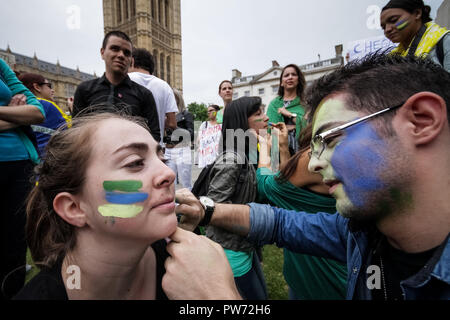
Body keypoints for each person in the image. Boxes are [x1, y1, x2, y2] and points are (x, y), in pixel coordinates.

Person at [164, 53, 450, 300]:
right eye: (313, 146)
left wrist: (217, 296)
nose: (313, 164)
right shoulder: (358, 233)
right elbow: (281, 223)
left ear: (421, 120)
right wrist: (207, 209)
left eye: (330, 138)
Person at [14, 111, 177, 300]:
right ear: (73, 208)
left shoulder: (187, 268)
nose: (169, 173)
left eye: (162, 159)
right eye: (135, 162)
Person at [257, 123, 347, 300]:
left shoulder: (315, 155)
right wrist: (283, 147)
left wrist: (264, 150)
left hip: (318, 270)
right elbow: (291, 182)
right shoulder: (341, 146)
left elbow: (267, 186)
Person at [199, 96, 268, 300]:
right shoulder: (232, 159)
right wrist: (253, 222)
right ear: (241, 122)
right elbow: (213, 209)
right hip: (231, 251)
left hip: (246, 245)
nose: (265, 118)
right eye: (258, 114)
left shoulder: (249, 151)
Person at [0, 58, 45, 299]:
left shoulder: (0, 65)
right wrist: (15, 113)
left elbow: (37, 113)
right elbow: (25, 115)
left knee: (15, 245)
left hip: (19, 162)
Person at [72, 31, 160, 142]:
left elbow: (154, 135)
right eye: (115, 49)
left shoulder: (144, 94)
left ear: (131, 61)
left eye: (126, 53)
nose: (121, 55)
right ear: (102, 52)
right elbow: (76, 132)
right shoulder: (84, 90)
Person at [381, 0, 450, 72]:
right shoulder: (392, 58)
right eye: (383, 27)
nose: (387, 29)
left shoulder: (445, 41)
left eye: (394, 20)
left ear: (417, 13)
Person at [128, 48, 178, 144]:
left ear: (132, 62)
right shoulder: (165, 86)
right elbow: (172, 124)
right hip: (155, 148)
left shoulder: (124, 80)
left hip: (128, 148)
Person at [18, 73, 72, 156]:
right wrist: (72, 109)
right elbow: (69, 130)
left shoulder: (18, 105)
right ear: (37, 87)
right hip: (50, 155)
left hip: (30, 155)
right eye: (49, 86)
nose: (53, 90)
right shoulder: (47, 104)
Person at [266, 64, 308, 155]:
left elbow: (309, 127)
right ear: (281, 82)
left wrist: (289, 115)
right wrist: (294, 124)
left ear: (298, 79)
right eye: (286, 75)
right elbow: (268, 128)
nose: (290, 77)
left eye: (293, 74)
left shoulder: (305, 103)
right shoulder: (274, 104)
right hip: (277, 150)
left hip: (300, 148)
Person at [164, 89, 194, 190]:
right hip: (168, 151)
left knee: (185, 183)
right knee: (170, 182)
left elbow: (190, 134)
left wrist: (174, 127)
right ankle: (173, 203)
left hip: (182, 150)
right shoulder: (165, 116)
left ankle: (190, 203)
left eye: (172, 97)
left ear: (177, 98)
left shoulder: (186, 114)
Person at [196, 104, 222, 169]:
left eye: (211, 110)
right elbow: (199, 139)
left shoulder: (222, 124)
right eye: (208, 111)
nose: (209, 113)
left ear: (217, 111)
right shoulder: (204, 124)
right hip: (207, 157)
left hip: (219, 157)